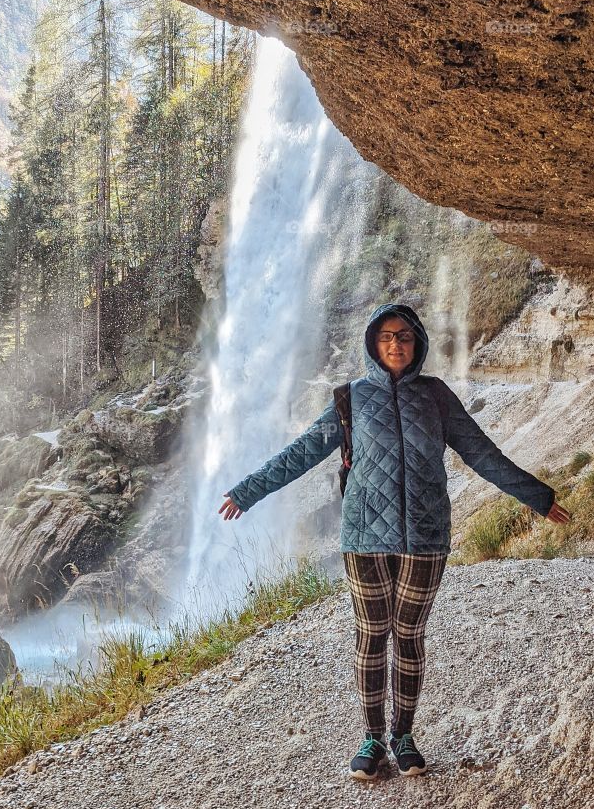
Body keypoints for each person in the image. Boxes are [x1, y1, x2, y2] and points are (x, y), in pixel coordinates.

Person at [218, 302, 571, 781]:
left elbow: (483, 454)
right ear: (372, 343)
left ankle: (403, 737)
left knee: (408, 636)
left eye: (404, 336)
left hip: (425, 537)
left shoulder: (437, 397)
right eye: (386, 337)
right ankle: (371, 738)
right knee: (370, 636)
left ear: (418, 342)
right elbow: (301, 453)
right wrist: (246, 492)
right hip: (364, 536)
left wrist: (538, 497)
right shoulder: (351, 399)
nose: (395, 344)